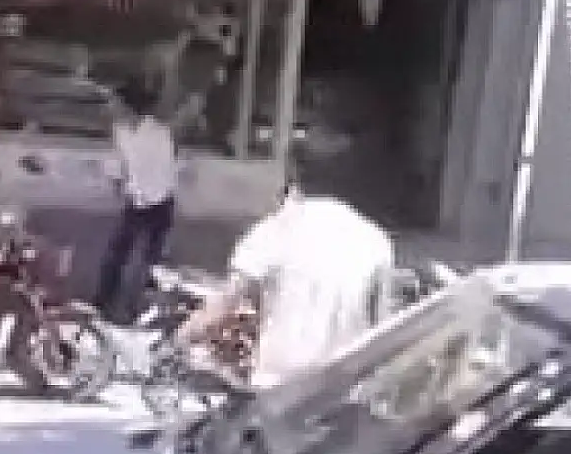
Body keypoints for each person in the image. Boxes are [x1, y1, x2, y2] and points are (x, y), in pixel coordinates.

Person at [175, 176, 395, 380]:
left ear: (293, 191)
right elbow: (381, 332)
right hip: (342, 386)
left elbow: (224, 304)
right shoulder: (376, 240)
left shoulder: (277, 228)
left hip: (278, 385)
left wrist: (180, 341)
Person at [96, 81, 179, 320]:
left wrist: (141, 194)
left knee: (152, 261)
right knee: (116, 255)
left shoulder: (158, 133)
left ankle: (146, 310)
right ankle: (102, 303)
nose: (110, 107)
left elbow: (164, 172)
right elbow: (120, 160)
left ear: (128, 106)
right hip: (136, 201)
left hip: (158, 202)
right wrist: (118, 181)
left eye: (115, 102)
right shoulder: (120, 130)